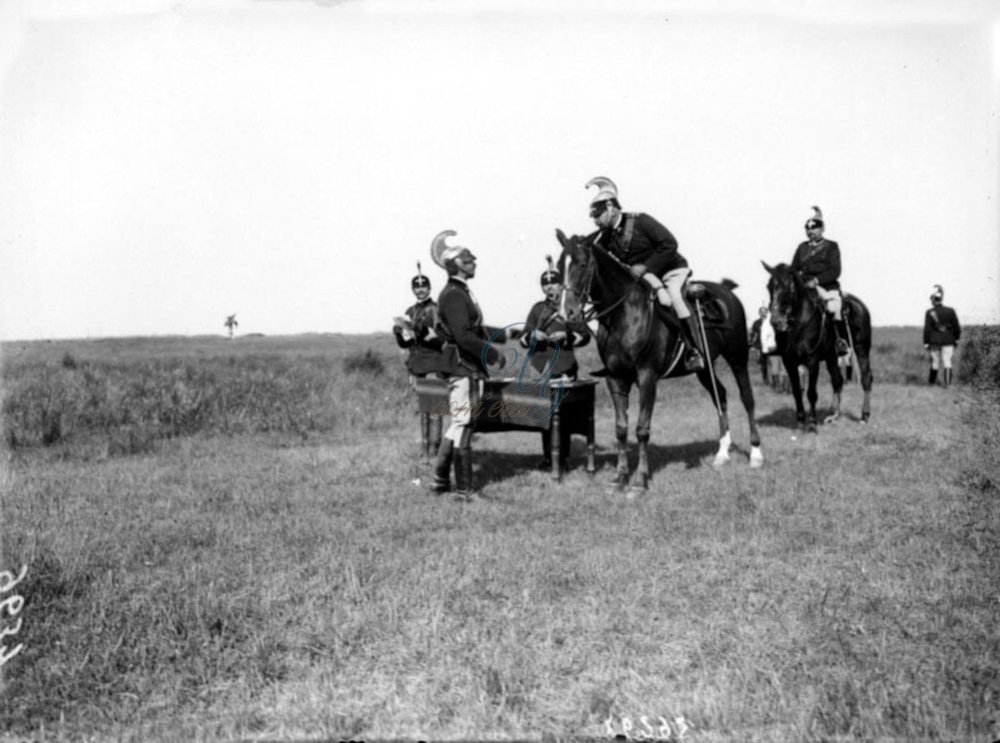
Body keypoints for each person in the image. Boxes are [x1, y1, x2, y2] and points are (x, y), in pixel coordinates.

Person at [585, 176, 706, 372]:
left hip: (671, 270)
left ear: (610, 207)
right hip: (645, 277)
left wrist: (647, 266)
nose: (595, 220)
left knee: (673, 298)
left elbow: (670, 244)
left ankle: (694, 351)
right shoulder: (606, 236)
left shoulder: (641, 221)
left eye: (597, 215)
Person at [428, 229, 507, 501]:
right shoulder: (454, 295)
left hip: (464, 367)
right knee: (463, 424)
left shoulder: (458, 292)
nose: (474, 262)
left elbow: (475, 329)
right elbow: (464, 336)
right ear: (457, 264)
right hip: (463, 367)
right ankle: (464, 491)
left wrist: (515, 335)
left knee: (459, 423)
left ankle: (440, 480)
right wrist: (492, 354)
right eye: (469, 259)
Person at [521, 256, 591, 470]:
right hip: (542, 367)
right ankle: (548, 458)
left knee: (565, 416)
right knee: (545, 415)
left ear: (562, 285)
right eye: (546, 284)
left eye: (554, 283)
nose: (550, 288)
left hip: (564, 365)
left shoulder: (570, 307)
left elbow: (585, 336)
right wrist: (534, 336)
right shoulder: (537, 309)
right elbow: (523, 338)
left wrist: (567, 337)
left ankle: (563, 459)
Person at [392, 263, 444, 457]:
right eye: (417, 287)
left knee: (436, 407)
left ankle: (435, 449)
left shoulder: (437, 309)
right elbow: (406, 344)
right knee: (423, 408)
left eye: (424, 286)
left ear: (429, 288)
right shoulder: (410, 312)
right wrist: (399, 334)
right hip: (417, 365)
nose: (420, 290)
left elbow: (442, 338)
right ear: (413, 289)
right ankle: (425, 450)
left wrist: (428, 335)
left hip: (434, 363)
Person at [791, 205, 850, 356]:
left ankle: (839, 341)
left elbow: (835, 270)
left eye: (814, 228)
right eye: (808, 229)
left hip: (826, 287)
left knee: (833, 308)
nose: (810, 231)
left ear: (822, 229)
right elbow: (794, 269)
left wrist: (816, 280)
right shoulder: (801, 248)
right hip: (805, 287)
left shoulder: (831, 246)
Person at [923, 284, 961, 387]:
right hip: (948, 339)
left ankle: (931, 384)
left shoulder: (929, 312)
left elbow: (927, 329)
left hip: (934, 340)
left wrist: (926, 342)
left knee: (934, 362)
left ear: (933, 300)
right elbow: (956, 327)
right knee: (947, 361)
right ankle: (947, 384)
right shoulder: (950, 311)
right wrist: (956, 339)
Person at [748, 304, 777, 384]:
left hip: (771, 346)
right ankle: (765, 379)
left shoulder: (771, 322)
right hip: (760, 346)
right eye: (761, 312)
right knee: (763, 364)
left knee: (772, 363)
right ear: (759, 313)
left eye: (765, 312)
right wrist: (751, 344)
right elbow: (752, 334)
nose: (763, 314)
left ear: (767, 313)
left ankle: (774, 381)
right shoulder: (756, 323)